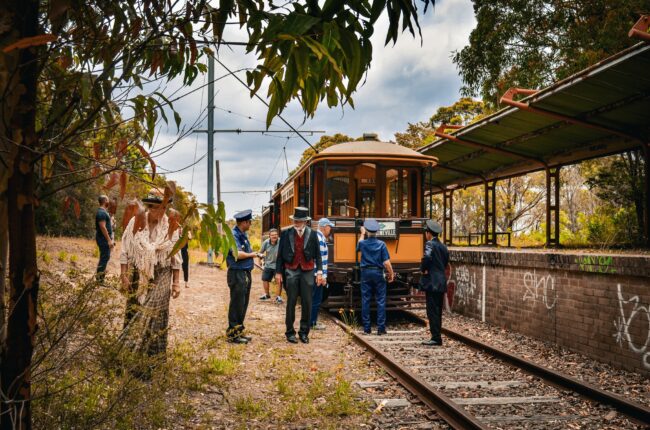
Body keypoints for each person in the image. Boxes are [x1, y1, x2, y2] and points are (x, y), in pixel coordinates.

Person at [119, 186, 182, 360]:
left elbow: (176, 255)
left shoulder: (172, 225)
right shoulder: (137, 221)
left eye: (161, 207)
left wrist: (176, 282)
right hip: (139, 273)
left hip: (162, 273)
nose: (158, 211)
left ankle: (153, 357)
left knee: (157, 313)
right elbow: (126, 249)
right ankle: (127, 353)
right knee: (136, 309)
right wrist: (123, 275)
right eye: (154, 207)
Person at [275, 207, 323, 344]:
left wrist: (319, 272)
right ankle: (290, 332)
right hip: (291, 269)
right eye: (295, 220)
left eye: (300, 221)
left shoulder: (313, 234)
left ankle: (304, 332)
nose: (297, 223)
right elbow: (280, 256)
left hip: (308, 271)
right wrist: (278, 272)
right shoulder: (285, 234)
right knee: (291, 302)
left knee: (307, 302)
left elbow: (318, 256)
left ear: (305, 222)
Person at [357, 219, 394, 335]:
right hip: (378, 273)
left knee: (366, 300)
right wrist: (391, 273)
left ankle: (367, 329)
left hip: (365, 273)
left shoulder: (363, 243)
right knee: (381, 301)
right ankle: (381, 329)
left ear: (367, 231)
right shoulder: (381, 244)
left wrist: (362, 233)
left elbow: (358, 246)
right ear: (377, 231)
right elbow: (387, 263)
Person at [225, 209, 257, 344]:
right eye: (249, 222)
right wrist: (252, 255)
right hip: (237, 273)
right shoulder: (233, 235)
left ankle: (239, 331)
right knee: (237, 303)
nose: (250, 224)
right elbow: (237, 254)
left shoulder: (243, 234)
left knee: (243, 303)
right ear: (244, 222)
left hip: (244, 273)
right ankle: (233, 334)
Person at [420, 220, 450, 346]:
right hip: (441, 281)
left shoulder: (429, 244)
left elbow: (426, 258)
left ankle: (435, 337)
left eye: (426, 232)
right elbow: (445, 262)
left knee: (431, 310)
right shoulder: (443, 247)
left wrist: (423, 269)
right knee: (438, 310)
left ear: (428, 233)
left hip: (432, 282)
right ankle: (437, 336)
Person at [311, 218, 333, 330]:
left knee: (314, 298)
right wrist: (322, 276)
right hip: (317, 275)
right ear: (325, 227)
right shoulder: (320, 239)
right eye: (330, 227)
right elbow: (320, 260)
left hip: (316, 273)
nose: (331, 229)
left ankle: (312, 321)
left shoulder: (318, 237)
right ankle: (312, 323)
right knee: (316, 299)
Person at [258, 228, 281, 303]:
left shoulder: (281, 242)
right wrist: (259, 260)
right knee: (264, 279)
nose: (274, 236)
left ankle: (278, 297)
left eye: (276, 235)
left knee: (279, 280)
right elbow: (260, 252)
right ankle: (267, 295)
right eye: (272, 235)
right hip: (268, 264)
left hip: (278, 265)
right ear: (269, 236)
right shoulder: (266, 243)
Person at [95, 195, 114, 282]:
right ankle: (99, 280)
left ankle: (100, 278)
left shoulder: (103, 212)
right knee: (104, 257)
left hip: (104, 238)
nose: (109, 202)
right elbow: (102, 227)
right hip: (103, 239)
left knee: (105, 257)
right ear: (105, 201)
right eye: (108, 200)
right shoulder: (101, 213)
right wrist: (109, 240)